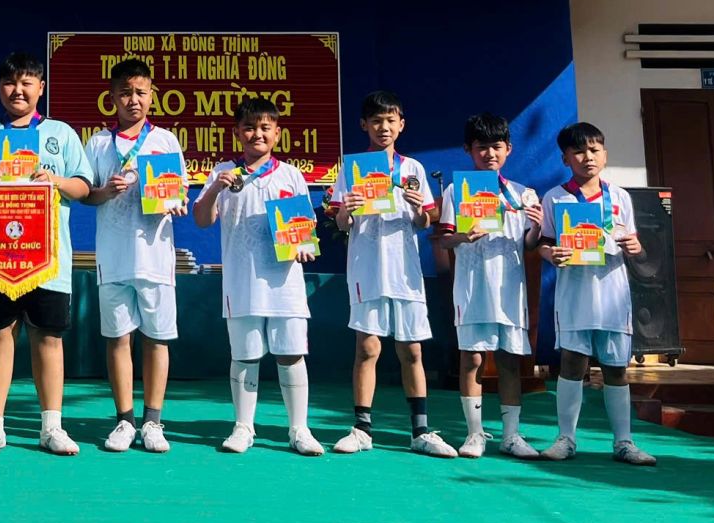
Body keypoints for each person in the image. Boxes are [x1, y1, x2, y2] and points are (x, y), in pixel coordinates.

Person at [0, 51, 94, 456]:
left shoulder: (61, 133)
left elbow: (84, 186)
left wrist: (56, 181)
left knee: (48, 337)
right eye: (9, 83)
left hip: (48, 257)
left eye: (26, 82)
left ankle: (52, 427)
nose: (17, 90)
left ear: (40, 88)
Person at [329, 91, 456, 458]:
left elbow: (424, 221)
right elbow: (341, 223)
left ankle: (420, 431)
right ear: (363, 125)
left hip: (405, 271)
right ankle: (362, 429)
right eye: (376, 121)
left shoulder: (413, 169)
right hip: (366, 268)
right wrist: (348, 209)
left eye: (390, 120)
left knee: (411, 350)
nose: (383, 127)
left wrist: (419, 209)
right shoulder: (352, 168)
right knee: (367, 347)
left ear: (401, 124)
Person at [193, 97, 322, 455]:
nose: (257, 134)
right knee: (245, 355)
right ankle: (243, 427)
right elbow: (202, 219)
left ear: (277, 133)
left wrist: (304, 244)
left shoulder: (291, 175)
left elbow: (305, 227)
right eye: (249, 127)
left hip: (285, 283)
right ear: (237, 132)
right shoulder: (224, 171)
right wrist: (216, 188)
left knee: (291, 353)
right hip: (242, 281)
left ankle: (299, 429)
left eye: (266, 127)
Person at [537, 122, 656, 466]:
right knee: (572, 364)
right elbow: (544, 242)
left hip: (613, 295)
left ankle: (624, 442)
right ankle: (566, 439)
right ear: (565, 158)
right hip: (574, 294)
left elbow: (633, 242)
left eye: (594, 150)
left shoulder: (619, 197)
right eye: (578, 151)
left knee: (616, 368)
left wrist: (635, 247)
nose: (587, 157)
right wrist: (551, 254)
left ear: (604, 154)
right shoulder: (555, 197)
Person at [82, 59, 183, 453]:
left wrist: (175, 202)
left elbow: (178, 192)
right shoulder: (98, 143)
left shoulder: (166, 141)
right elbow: (86, 194)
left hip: (155, 257)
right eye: (125, 93)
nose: (133, 100)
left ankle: (153, 421)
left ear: (152, 95)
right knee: (118, 338)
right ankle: (124, 420)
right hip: (113, 257)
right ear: (112, 97)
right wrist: (104, 192)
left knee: (156, 339)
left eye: (141, 92)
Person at [431, 113, 543, 459]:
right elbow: (444, 240)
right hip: (472, 287)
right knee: (472, 358)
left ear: (508, 149)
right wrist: (463, 237)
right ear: (468, 150)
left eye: (496, 146)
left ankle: (511, 435)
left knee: (509, 360)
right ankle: (474, 434)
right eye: (481, 147)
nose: (489, 154)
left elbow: (529, 244)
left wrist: (537, 227)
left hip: (510, 288)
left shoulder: (522, 194)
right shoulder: (456, 191)